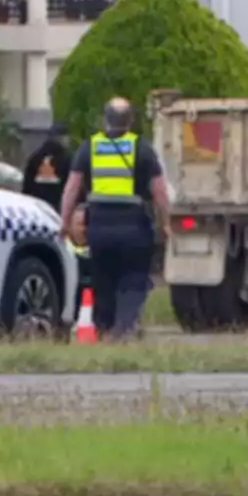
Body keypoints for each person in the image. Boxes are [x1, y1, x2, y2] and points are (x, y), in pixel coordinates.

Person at [57, 97, 171, 340]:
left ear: (105, 120)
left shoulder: (90, 147)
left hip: (99, 227)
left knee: (103, 280)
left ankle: (104, 329)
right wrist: (166, 223)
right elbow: (159, 191)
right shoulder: (141, 148)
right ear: (130, 120)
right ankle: (125, 329)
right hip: (134, 227)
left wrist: (65, 222)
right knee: (132, 279)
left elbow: (72, 188)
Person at [21, 124, 71, 213]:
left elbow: (26, 187)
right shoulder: (66, 158)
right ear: (62, 138)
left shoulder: (35, 157)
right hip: (57, 207)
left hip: (37, 207)